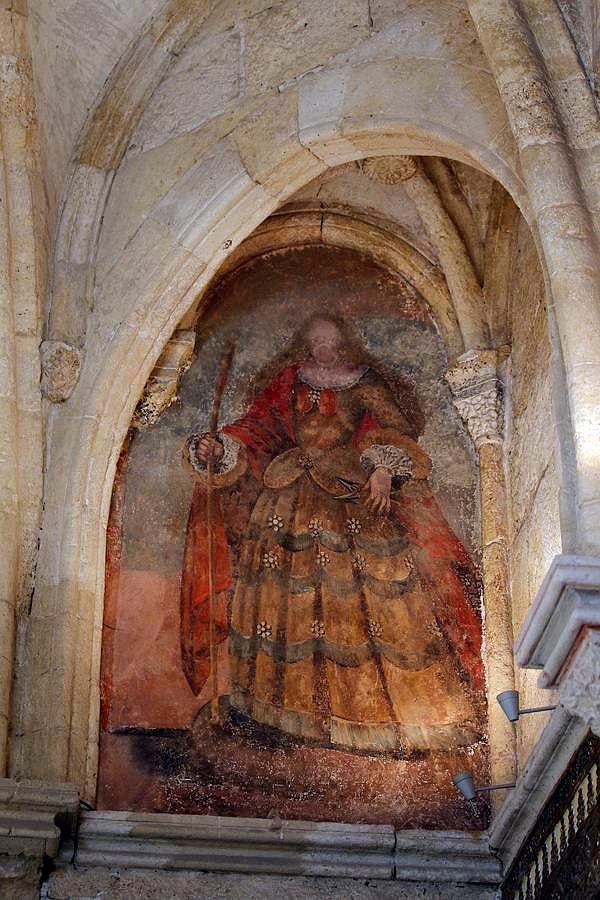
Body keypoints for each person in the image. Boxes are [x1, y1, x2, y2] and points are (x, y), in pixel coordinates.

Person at [180, 315, 485, 753]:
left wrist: (382, 468)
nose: (323, 349)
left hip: (348, 494)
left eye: (331, 342)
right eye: (315, 342)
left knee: (368, 597)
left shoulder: (364, 384)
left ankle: (373, 721)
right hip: (287, 495)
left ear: (346, 344)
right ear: (305, 345)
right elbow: (258, 427)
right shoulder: (290, 381)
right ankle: (281, 713)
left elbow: (397, 431)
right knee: (284, 600)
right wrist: (220, 444)